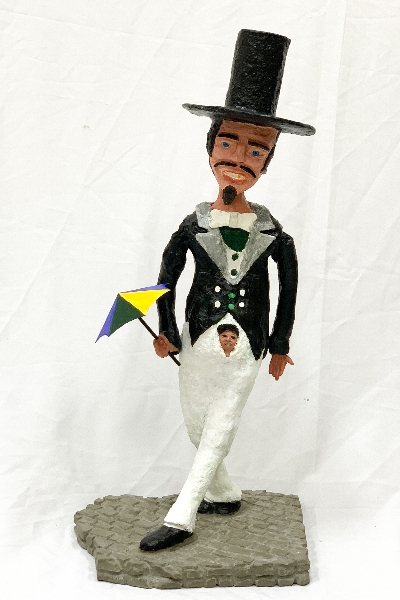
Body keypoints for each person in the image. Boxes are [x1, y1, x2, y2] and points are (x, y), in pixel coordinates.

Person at [139, 29, 315, 552]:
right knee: (196, 423)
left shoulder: (275, 234)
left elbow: (290, 290)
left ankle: (182, 515)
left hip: (248, 341)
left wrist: (279, 345)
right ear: (211, 146)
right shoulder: (192, 226)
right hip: (196, 338)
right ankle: (222, 492)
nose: (240, 157)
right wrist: (166, 331)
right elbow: (165, 282)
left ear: (267, 160)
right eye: (228, 143)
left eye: (256, 149)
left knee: (222, 421)